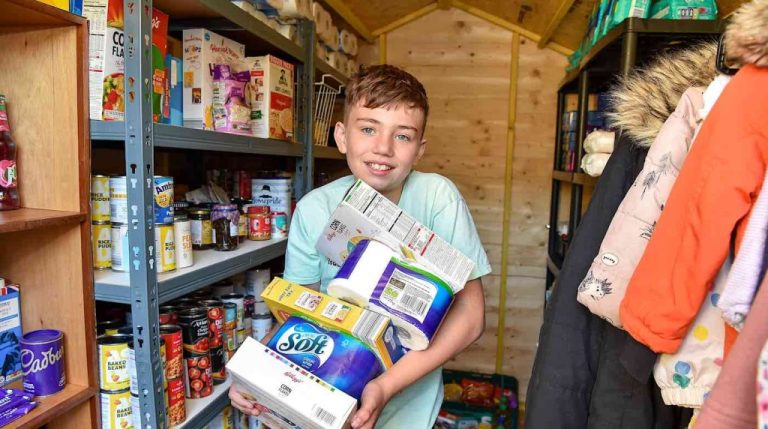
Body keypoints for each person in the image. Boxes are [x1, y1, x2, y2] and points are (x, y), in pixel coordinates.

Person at [229, 64, 491, 429]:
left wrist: (385, 387)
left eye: (403, 136)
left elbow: (471, 318)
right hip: (327, 404)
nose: (382, 148)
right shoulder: (314, 208)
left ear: (419, 149)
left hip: (409, 412)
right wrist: (258, 373)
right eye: (368, 129)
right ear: (341, 136)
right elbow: (299, 314)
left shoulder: (437, 198)